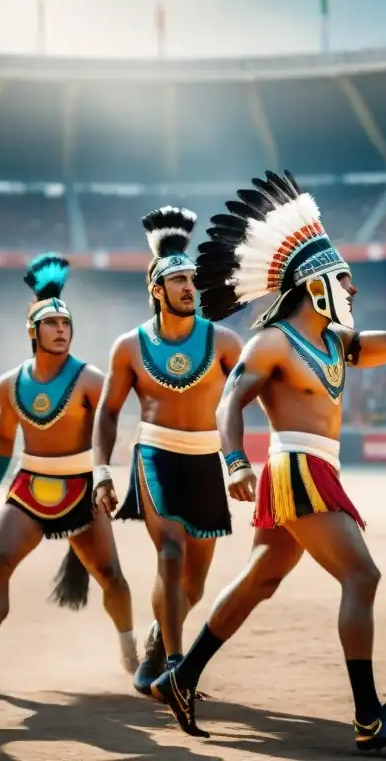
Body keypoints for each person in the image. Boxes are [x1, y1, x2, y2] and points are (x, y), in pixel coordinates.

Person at [150, 170, 386, 751]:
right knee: (362, 574)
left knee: (260, 578)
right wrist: (235, 462)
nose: (352, 292)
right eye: (345, 282)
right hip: (297, 469)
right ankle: (368, 718)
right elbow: (230, 402)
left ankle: (181, 677)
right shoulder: (273, 341)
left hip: (313, 470)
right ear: (316, 284)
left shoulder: (336, 344)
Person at [0, 253, 138, 695]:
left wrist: (105, 475)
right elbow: (2, 440)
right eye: (51, 324)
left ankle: (132, 655)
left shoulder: (92, 379)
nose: (61, 331)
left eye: (66, 325)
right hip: (28, 486)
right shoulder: (8, 384)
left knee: (110, 576)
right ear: (33, 332)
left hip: (81, 491)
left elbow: (108, 430)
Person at [92, 206, 243, 696]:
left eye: (191, 281)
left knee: (194, 586)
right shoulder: (127, 347)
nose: (188, 288)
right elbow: (109, 412)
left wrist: (240, 461)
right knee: (172, 554)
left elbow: (251, 390)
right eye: (178, 281)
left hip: (205, 461)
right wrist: (101, 470)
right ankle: (177, 668)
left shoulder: (225, 341)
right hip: (154, 455)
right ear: (156, 290)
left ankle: (157, 643)